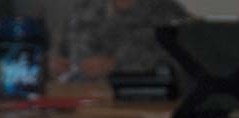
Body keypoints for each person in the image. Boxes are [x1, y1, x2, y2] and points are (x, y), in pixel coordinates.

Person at [50, 0, 189, 81]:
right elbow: (59, 50)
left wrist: (117, 65)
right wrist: (56, 64)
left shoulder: (168, 12)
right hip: (79, 108)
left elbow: (186, 66)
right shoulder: (83, 8)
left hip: (144, 108)